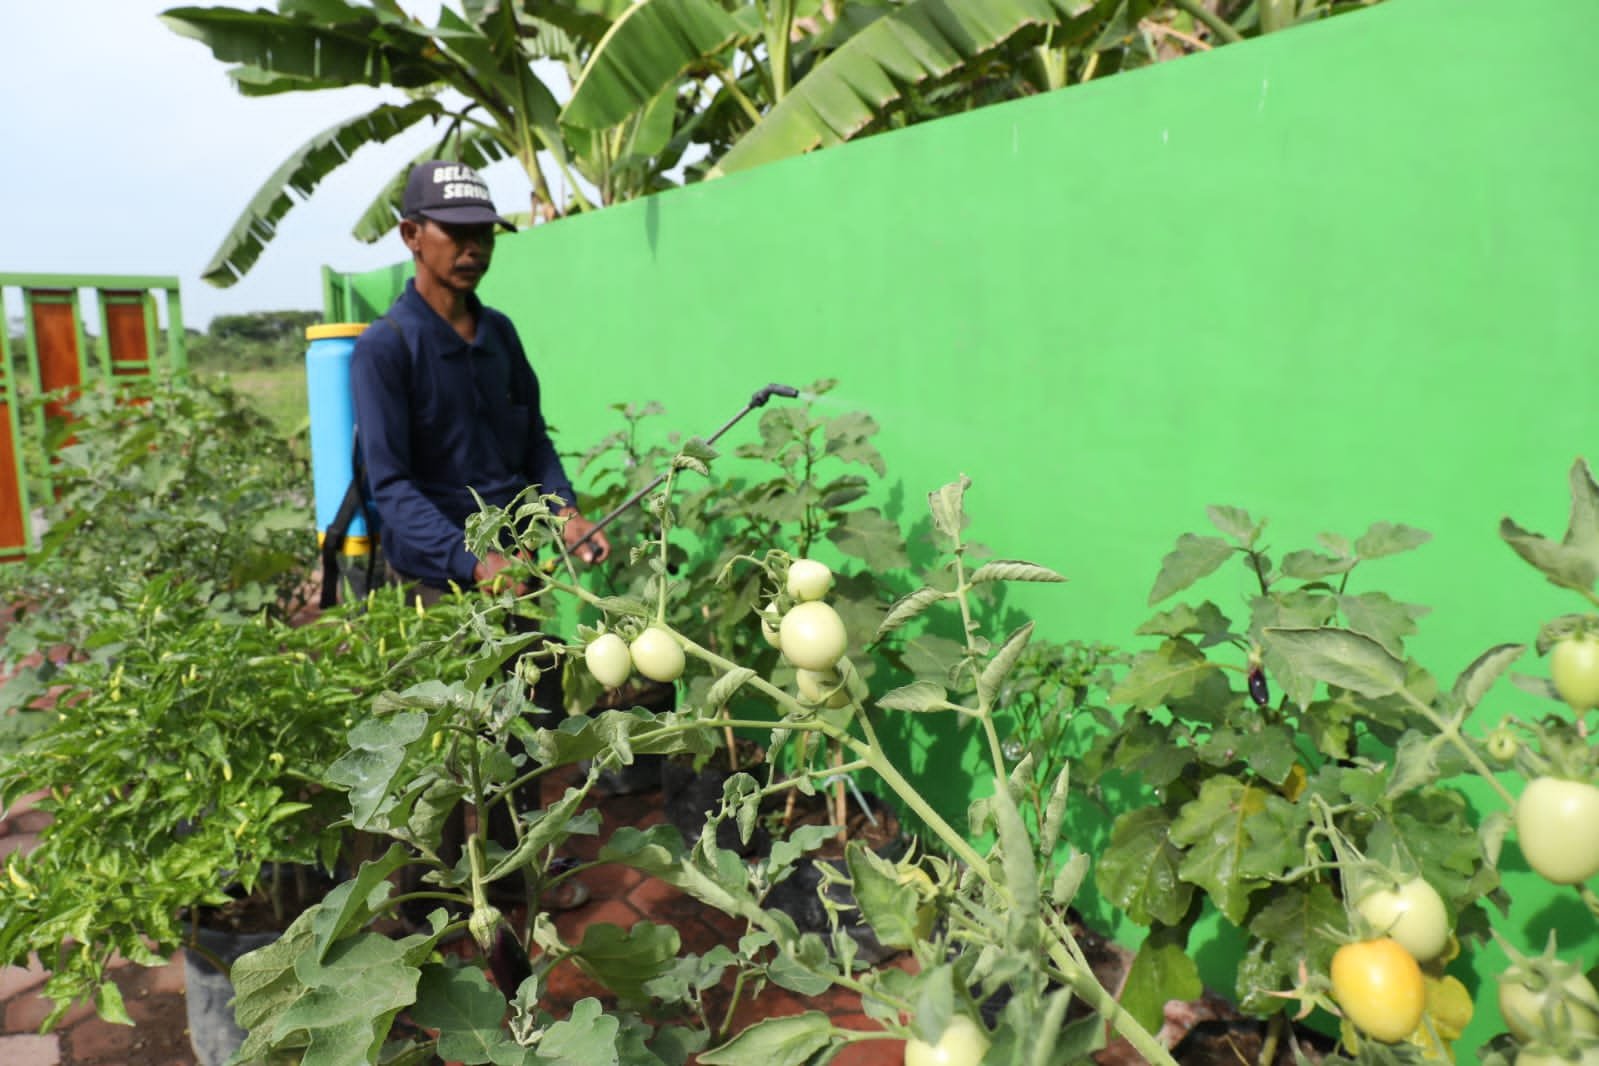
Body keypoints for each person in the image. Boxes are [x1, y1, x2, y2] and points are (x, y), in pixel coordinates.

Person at [350, 159, 610, 913]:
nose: (472, 248)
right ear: (411, 235)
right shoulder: (386, 348)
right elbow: (389, 486)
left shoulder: (498, 334)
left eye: (482, 235)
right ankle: (429, 909)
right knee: (444, 749)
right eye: (454, 233)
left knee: (520, 732)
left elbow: (534, 444)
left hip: (517, 572)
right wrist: (472, 559)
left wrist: (564, 511)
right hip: (439, 581)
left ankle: (510, 885)